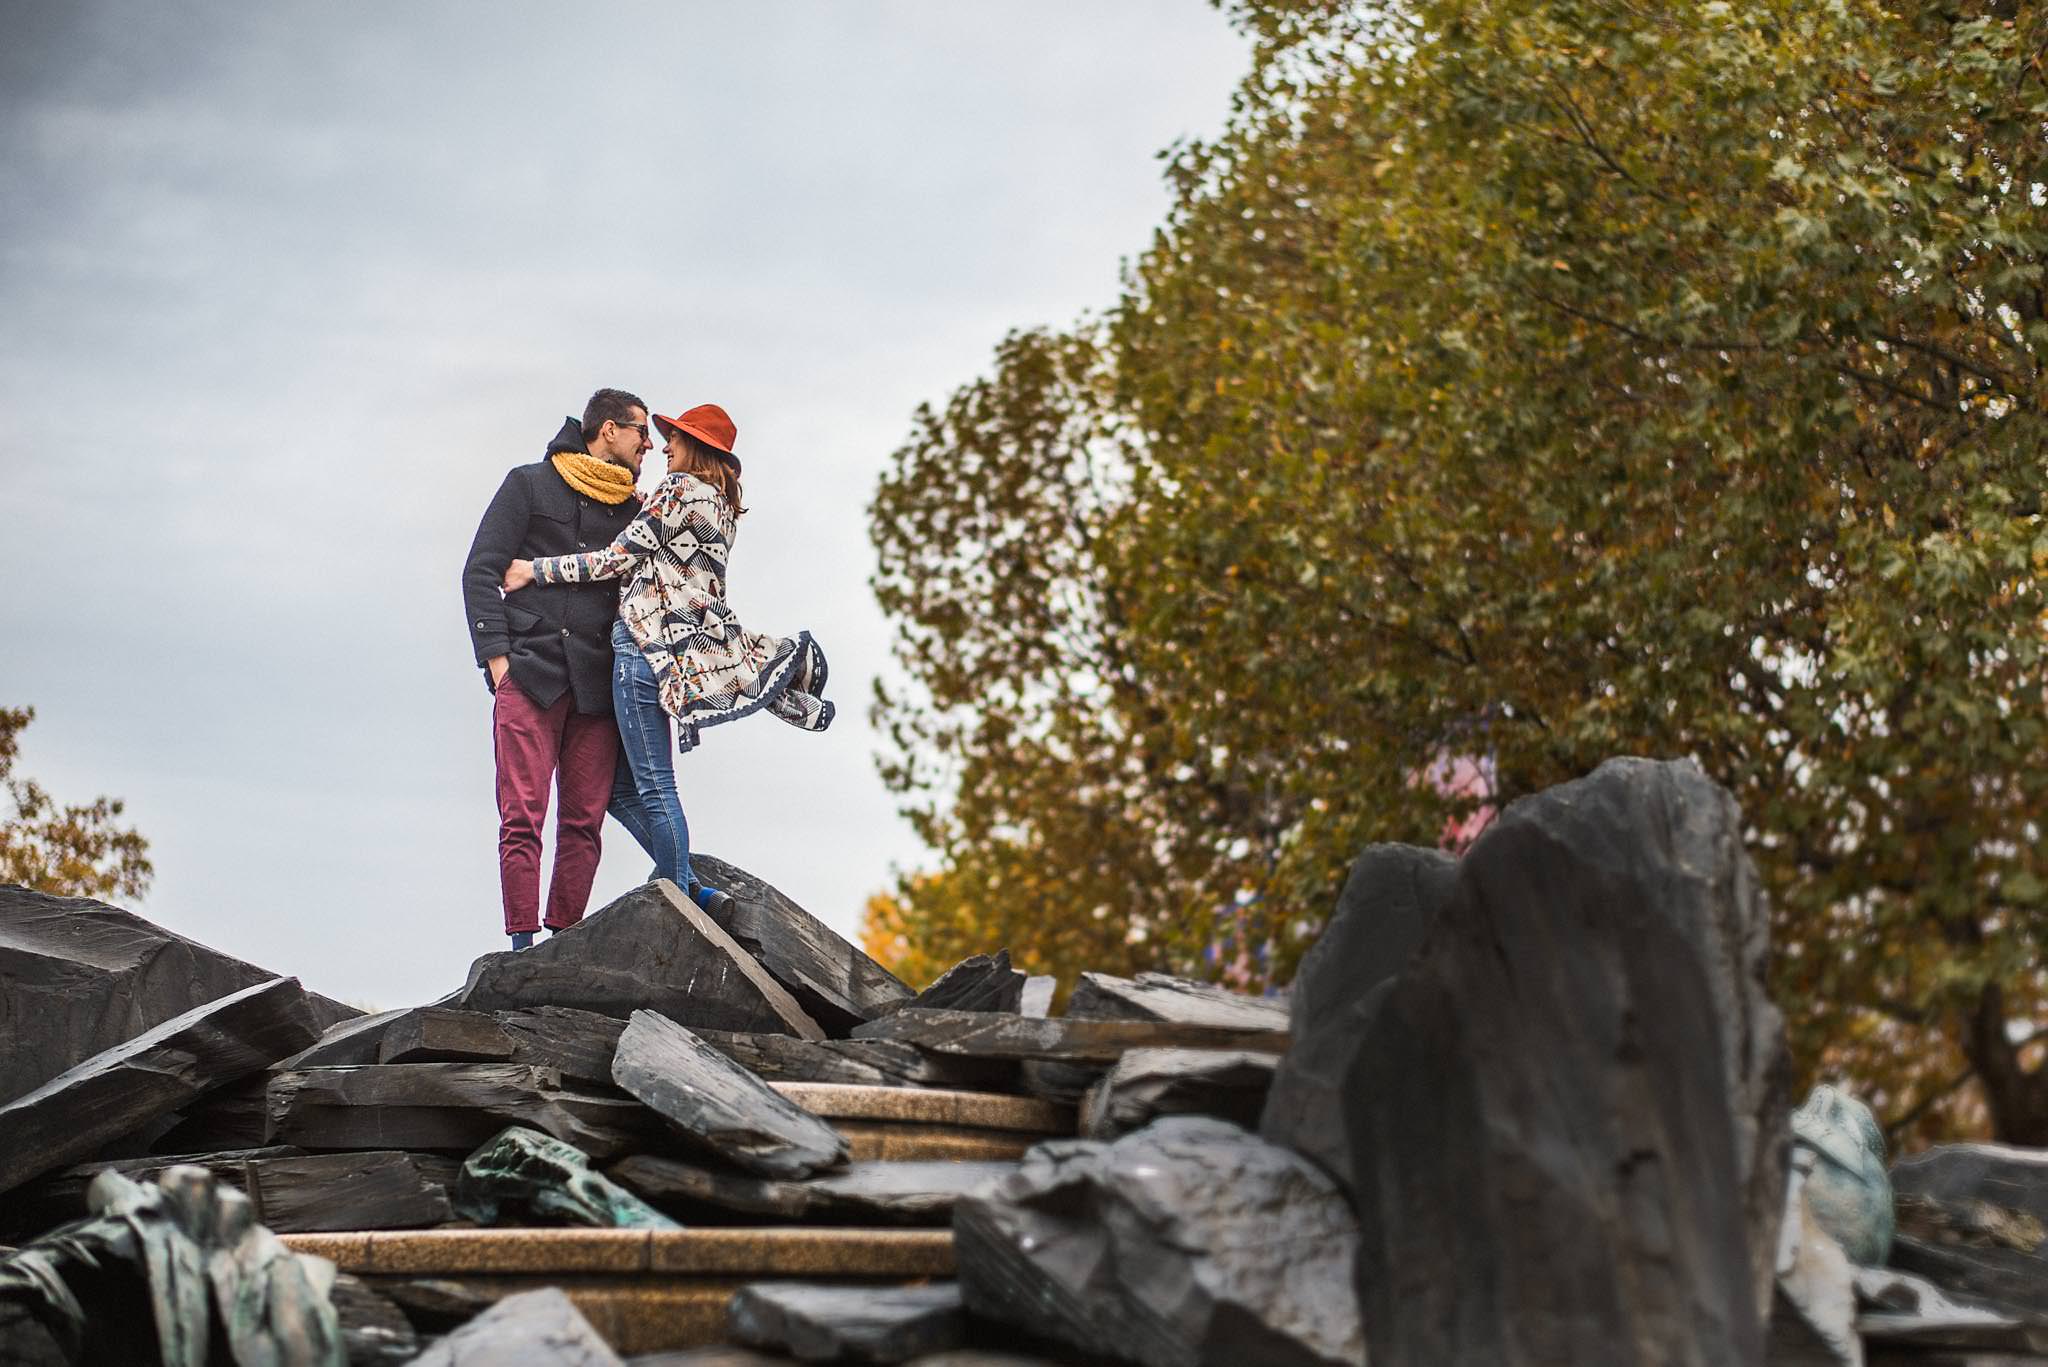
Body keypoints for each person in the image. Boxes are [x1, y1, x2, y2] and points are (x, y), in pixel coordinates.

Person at [502, 402, 833, 904]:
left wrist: (536, 570)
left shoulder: (677, 491)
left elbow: (619, 558)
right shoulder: (720, 508)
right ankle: (697, 892)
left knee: (655, 787)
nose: (665, 446)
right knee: (617, 790)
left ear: (695, 447)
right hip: (677, 658)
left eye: (675, 437)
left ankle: (679, 901)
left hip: (641, 649)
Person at [461, 388, 655, 950]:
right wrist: (498, 662)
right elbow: (480, 571)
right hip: (530, 675)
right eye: (642, 431)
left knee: (583, 823)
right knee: (521, 816)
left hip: (599, 687)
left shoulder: (638, 512)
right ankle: (521, 948)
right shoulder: (528, 484)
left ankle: (562, 944)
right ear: (608, 430)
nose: (649, 444)